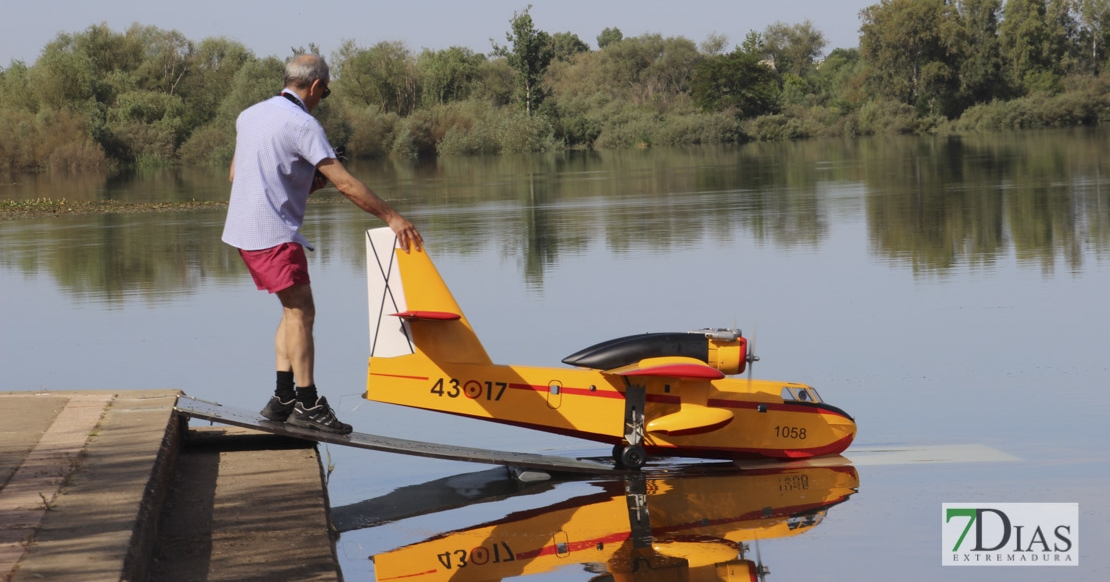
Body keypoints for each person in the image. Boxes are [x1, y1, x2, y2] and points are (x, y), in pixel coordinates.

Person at [222, 54, 422, 435]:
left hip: (244, 233)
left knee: (290, 310)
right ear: (315, 87)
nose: (321, 98)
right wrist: (393, 218)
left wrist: (302, 181)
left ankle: (282, 399)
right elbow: (346, 184)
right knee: (302, 313)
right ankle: (308, 403)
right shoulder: (303, 124)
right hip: (273, 236)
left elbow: (237, 174)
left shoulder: (249, 115)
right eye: (324, 93)